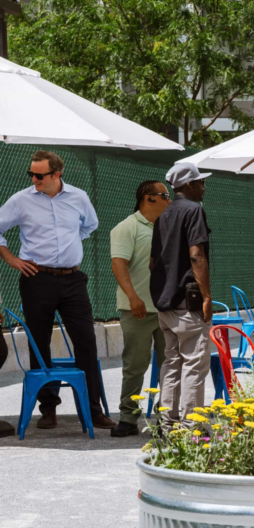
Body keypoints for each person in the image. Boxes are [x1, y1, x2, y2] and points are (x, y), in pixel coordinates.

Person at [0, 150, 116, 431]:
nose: (34, 179)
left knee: (87, 342)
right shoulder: (21, 200)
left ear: (56, 174)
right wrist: (12, 259)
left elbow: (90, 225)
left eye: (39, 175)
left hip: (73, 279)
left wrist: (69, 245)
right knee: (39, 344)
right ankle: (48, 409)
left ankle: (93, 409)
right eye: (31, 174)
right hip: (36, 278)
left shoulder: (79, 197)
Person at [150, 162, 213, 424]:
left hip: (165, 303)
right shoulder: (193, 210)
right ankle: (191, 427)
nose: (203, 186)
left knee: (172, 361)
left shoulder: (163, 215)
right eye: (200, 182)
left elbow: (153, 262)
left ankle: (167, 422)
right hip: (189, 303)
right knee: (194, 365)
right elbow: (196, 254)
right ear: (188, 184)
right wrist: (207, 296)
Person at [109, 181, 170, 437]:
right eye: (165, 195)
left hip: (167, 309)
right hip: (138, 309)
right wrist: (133, 297)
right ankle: (128, 417)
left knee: (170, 365)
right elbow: (119, 264)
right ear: (149, 198)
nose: (170, 199)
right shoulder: (127, 227)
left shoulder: (168, 227)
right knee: (135, 364)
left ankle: (167, 416)